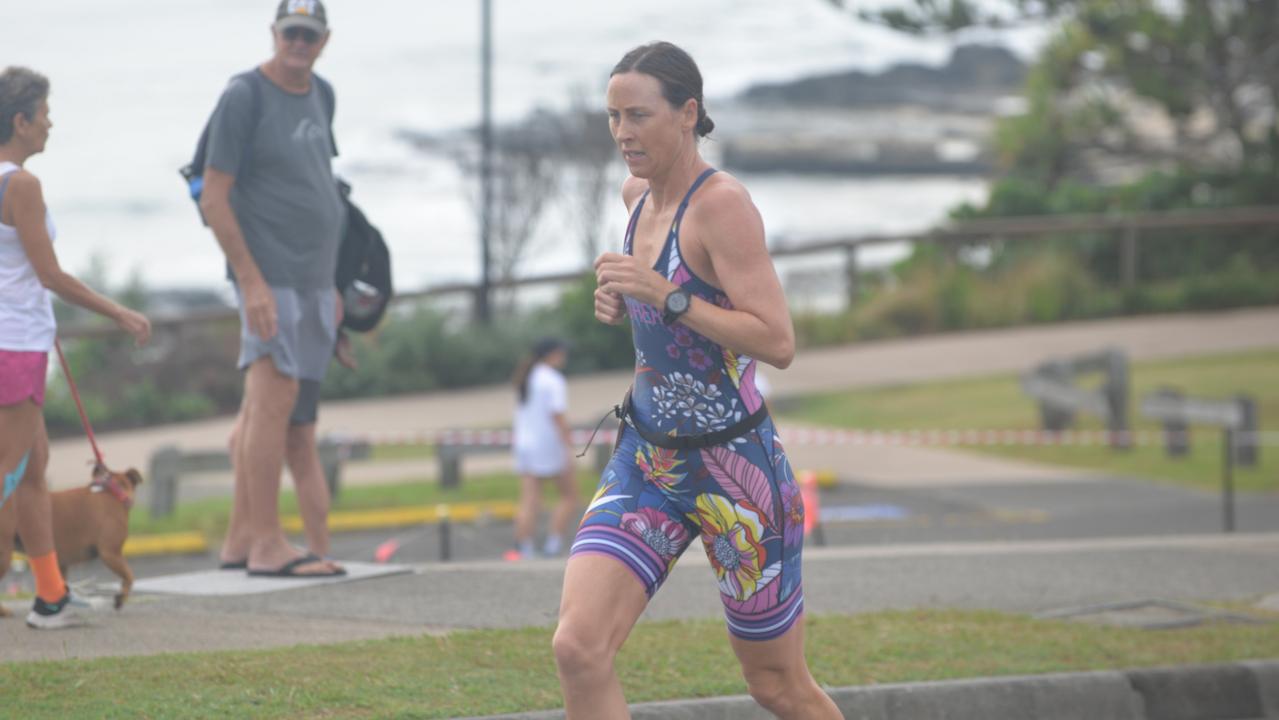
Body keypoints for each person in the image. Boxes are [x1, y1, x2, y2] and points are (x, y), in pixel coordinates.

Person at [552, 43, 841, 718]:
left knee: (776, 687)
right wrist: (619, 297)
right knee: (578, 648)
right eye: (612, 117)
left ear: (687, 114)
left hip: (735, 474)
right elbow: (653, 305)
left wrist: (666, 296)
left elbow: (776, 341)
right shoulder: (634, 198)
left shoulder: (723, 207)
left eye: (638, 115)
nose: (623, 133)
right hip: (646, 462)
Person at [0, 66, 152, 629]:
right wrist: (120, 311)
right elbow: (50, 275)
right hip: (14, 349)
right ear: (20, 121)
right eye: (43, 113)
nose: (50, 123)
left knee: (34, 471)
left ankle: (50, 595)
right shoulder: (21, 185)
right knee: (6, 473)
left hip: (16, 341)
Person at [203, 0, 345, 578]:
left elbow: (317, 186)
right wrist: (251, 282)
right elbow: (214, 196)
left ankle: (240, 541)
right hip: (272, 279)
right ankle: (266, 544)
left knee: (267, 407)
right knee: (273, 408)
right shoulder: (244, 96)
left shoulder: (322, 93)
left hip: (314, 280)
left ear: (323, 39)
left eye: (308, 35)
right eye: (290, 33)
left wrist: (332, 282)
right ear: (273, 33)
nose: (298, 44)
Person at [509, 338, 579, 560]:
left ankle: (525, 547)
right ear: (552, 354)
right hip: (547, 443)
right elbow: (557, 415)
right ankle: (553, 543)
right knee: (570, 496)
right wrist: (569, 444)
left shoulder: (527, 377)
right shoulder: (553, 380)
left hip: (524, 443)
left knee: (530, 499)